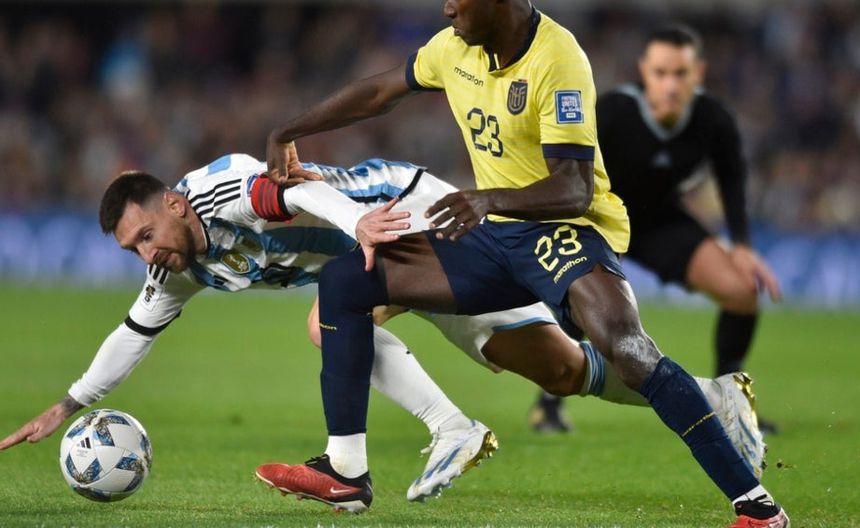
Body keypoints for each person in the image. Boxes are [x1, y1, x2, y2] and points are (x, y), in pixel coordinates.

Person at [259, 2, 788, 526]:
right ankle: (346, 472)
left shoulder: (557, 58)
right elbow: (378, 93)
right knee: (347, 281)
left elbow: (574, 189)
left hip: (564, 229)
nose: (447, 8)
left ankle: (758, 507)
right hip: (495, 236)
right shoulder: (454, 49)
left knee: (628, 351)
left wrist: (488, 199)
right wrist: (287, 130)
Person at [0, 153, 764, 510]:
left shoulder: (220, 188)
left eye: (144, 236)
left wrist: (359, 224)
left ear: (171, 202)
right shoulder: (178, 265)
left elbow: (294, 193)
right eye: (133, 250)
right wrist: (68, 404)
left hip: (403, 213)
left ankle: (446, 431)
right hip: (377, 257)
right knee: (560, 370)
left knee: (329, 321)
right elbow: (134, 332)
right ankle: (712, 396)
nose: (146, 255)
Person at [529, 25, 783, 435]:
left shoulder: (713, 119)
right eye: (661, 73)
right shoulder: (614, 111)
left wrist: (741, 245)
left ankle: (730, 401)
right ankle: (548, 405)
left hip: (660, 221)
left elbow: (732, 176)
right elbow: (567, 163)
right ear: (644, 71)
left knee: (741, 290)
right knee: (580, 303)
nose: (670, 84)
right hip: (601, 217)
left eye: (680, 73)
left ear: (698, 73)